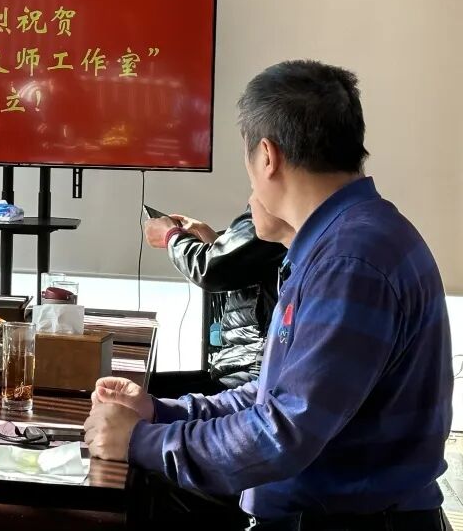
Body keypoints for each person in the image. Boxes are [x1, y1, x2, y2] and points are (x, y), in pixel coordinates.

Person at [85, 60, 452, 531]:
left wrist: (140, 442)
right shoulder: (343, 242)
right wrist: (159, 411)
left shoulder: (349, 261)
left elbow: (284, 431)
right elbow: (273, 396)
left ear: (266, 156)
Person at [143, 207, 289, 397]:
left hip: (254, 367)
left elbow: (211, 270)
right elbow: (241, 266)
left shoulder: (273, 211)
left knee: (139, 396)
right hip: (244, 362)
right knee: (144, 388)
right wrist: (210, 238)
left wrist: (171, 236)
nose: (253, 199)